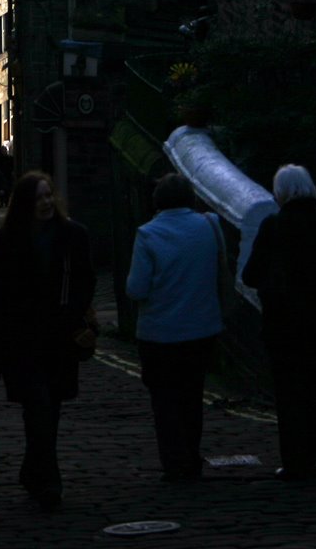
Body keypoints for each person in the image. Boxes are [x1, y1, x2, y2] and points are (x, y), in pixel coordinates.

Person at [0, 171, 97, 512]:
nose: (46, 202)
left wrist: (76, 314)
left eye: (49, 195)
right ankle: (50, 481)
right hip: (22, 341)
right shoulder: (6, 240)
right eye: (38, 198)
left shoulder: (74, 235)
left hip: (59, 338)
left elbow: (85, 281)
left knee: (51, 410)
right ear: (24, 204)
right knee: (38, 408)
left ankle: (33, 470)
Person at [242, 164, 316, 480]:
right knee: (313, 388)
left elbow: (250, 275)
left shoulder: (274, 226)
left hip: (283, 324)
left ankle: (293, 458)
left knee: (288, 393)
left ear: (281, 191)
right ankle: (313, 453)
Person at [126, 173, 223, 482]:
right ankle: (192, 457)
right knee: (192, 397)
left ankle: (173, 462)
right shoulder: (210, 226)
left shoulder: (148, 234)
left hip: (159, 334)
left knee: (164, 401)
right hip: (201, 329)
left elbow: (136, 288)